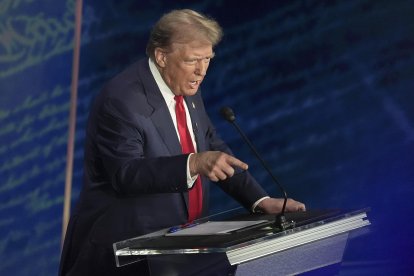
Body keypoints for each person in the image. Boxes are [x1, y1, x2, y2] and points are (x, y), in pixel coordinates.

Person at [59, 9, 305, 276]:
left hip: (183, 252)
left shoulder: (185, 85)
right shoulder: (121, 100)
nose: (201, 71)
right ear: (162, 56)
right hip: (127, 257)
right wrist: (194, 163)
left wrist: (259, 200)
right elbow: (126, 174)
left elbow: (211, 149)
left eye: (207, 59)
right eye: (192, 60)